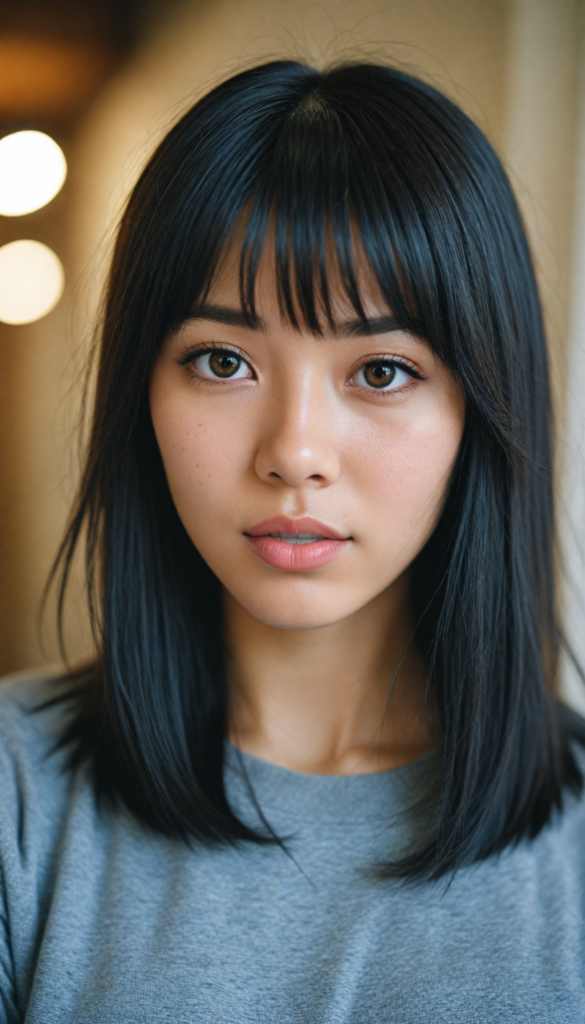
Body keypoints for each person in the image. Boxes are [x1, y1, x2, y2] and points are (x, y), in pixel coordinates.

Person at [1, 58, 584, 1024]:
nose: (294, 453)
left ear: (481, 409)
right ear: (140, 393)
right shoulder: (17, 798)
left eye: (381, 371)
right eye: (221, 360)